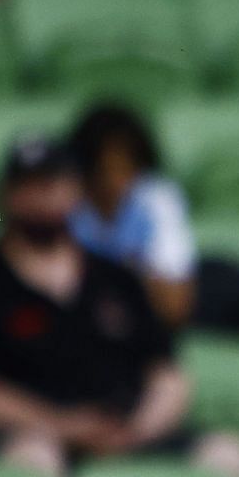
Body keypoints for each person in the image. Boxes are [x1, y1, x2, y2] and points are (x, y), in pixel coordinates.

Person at [0, 138, 239, 477]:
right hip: (31, 435)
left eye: (53, 182)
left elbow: (168, 374)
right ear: (7, 195)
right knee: (33, 462)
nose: (43, 195)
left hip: (128, 430)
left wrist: (140, 429)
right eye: (30, 185)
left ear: (76, 189)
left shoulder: (115, 277)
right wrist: (61, 425)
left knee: (228, 454)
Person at [67, 103, 198, 329]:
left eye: (124, 167)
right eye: (103, 168)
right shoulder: (65, 202)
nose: (114, 180)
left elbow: (175, 305)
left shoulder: (157, 200)